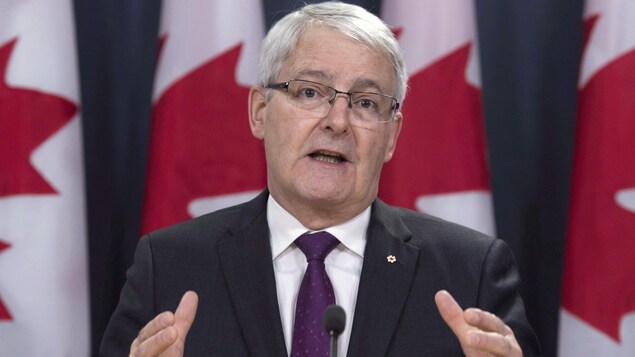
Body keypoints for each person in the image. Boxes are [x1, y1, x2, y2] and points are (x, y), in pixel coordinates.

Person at [100, 2, 542, 356]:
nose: (337, 121)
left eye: (366, 103)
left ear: (392, 136)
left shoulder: (470, 273)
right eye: (309, 92)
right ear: (259, 111)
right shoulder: (169, 267)